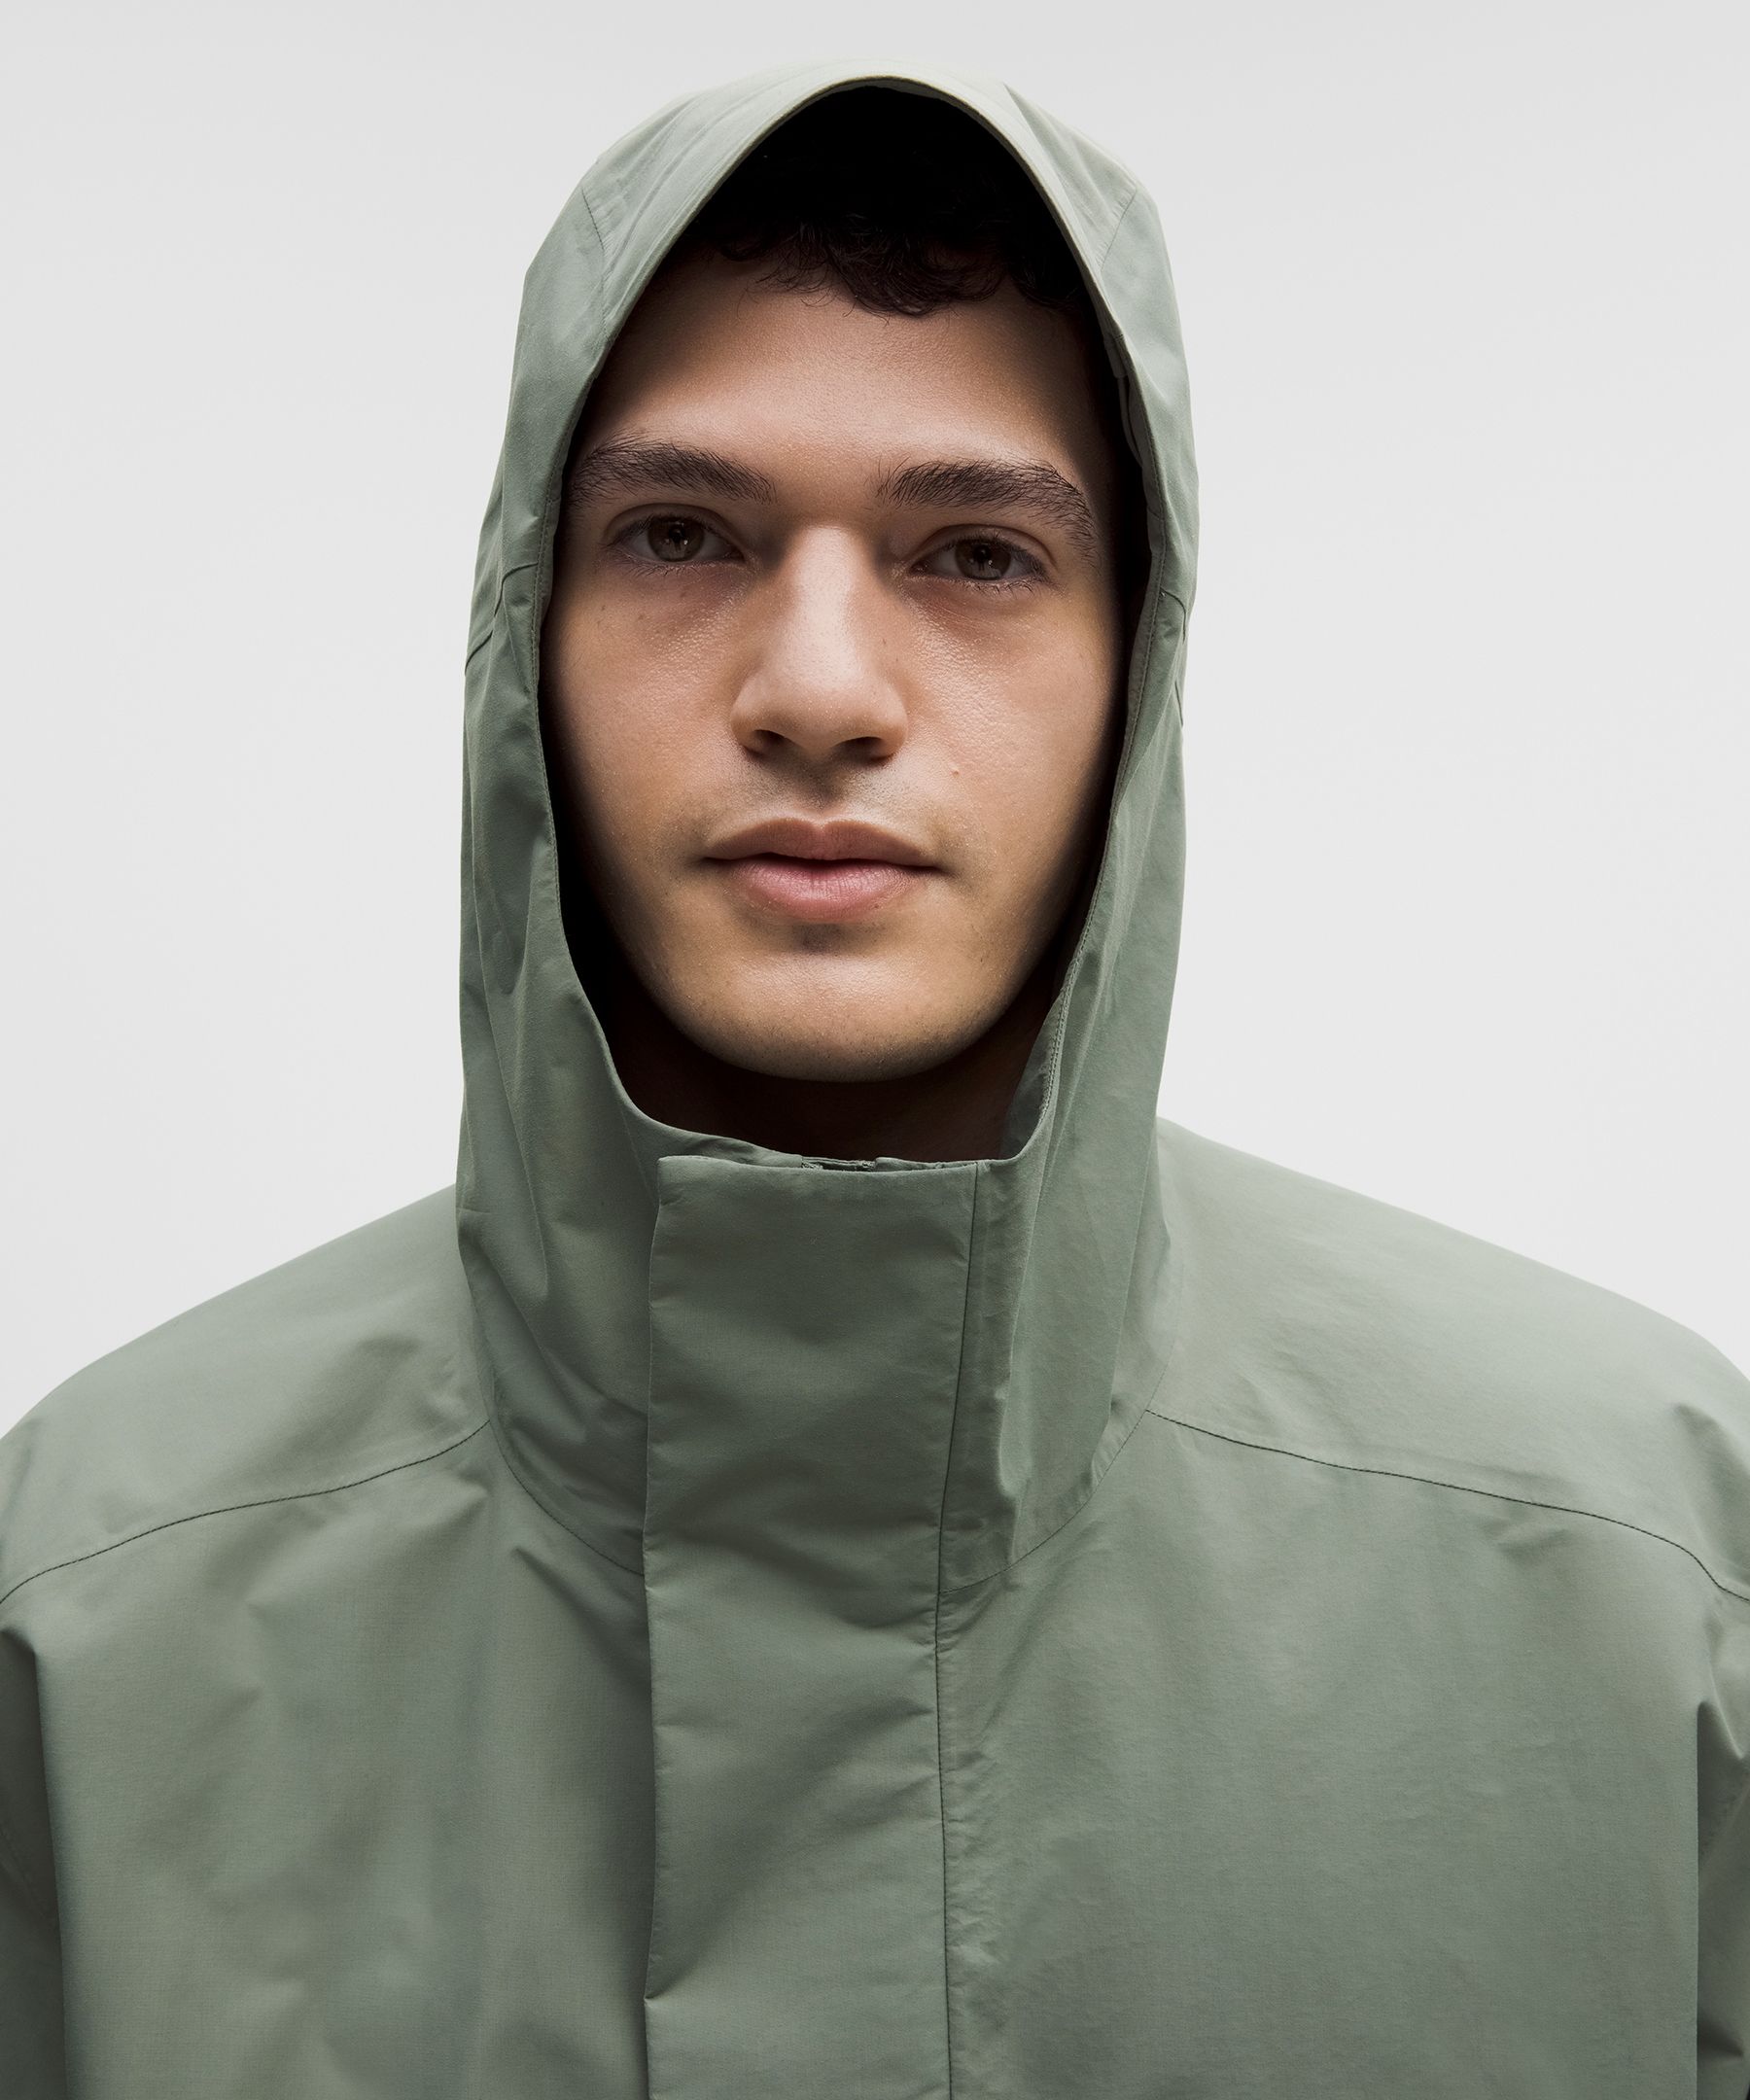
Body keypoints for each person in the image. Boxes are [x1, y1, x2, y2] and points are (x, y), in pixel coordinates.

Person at [2, 56, 1746, 2099]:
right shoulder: (86, 1617)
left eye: (978, 555)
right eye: (679, 535)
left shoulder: (1650, 1582)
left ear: (1138, 669)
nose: (820, 691)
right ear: (522, 644)